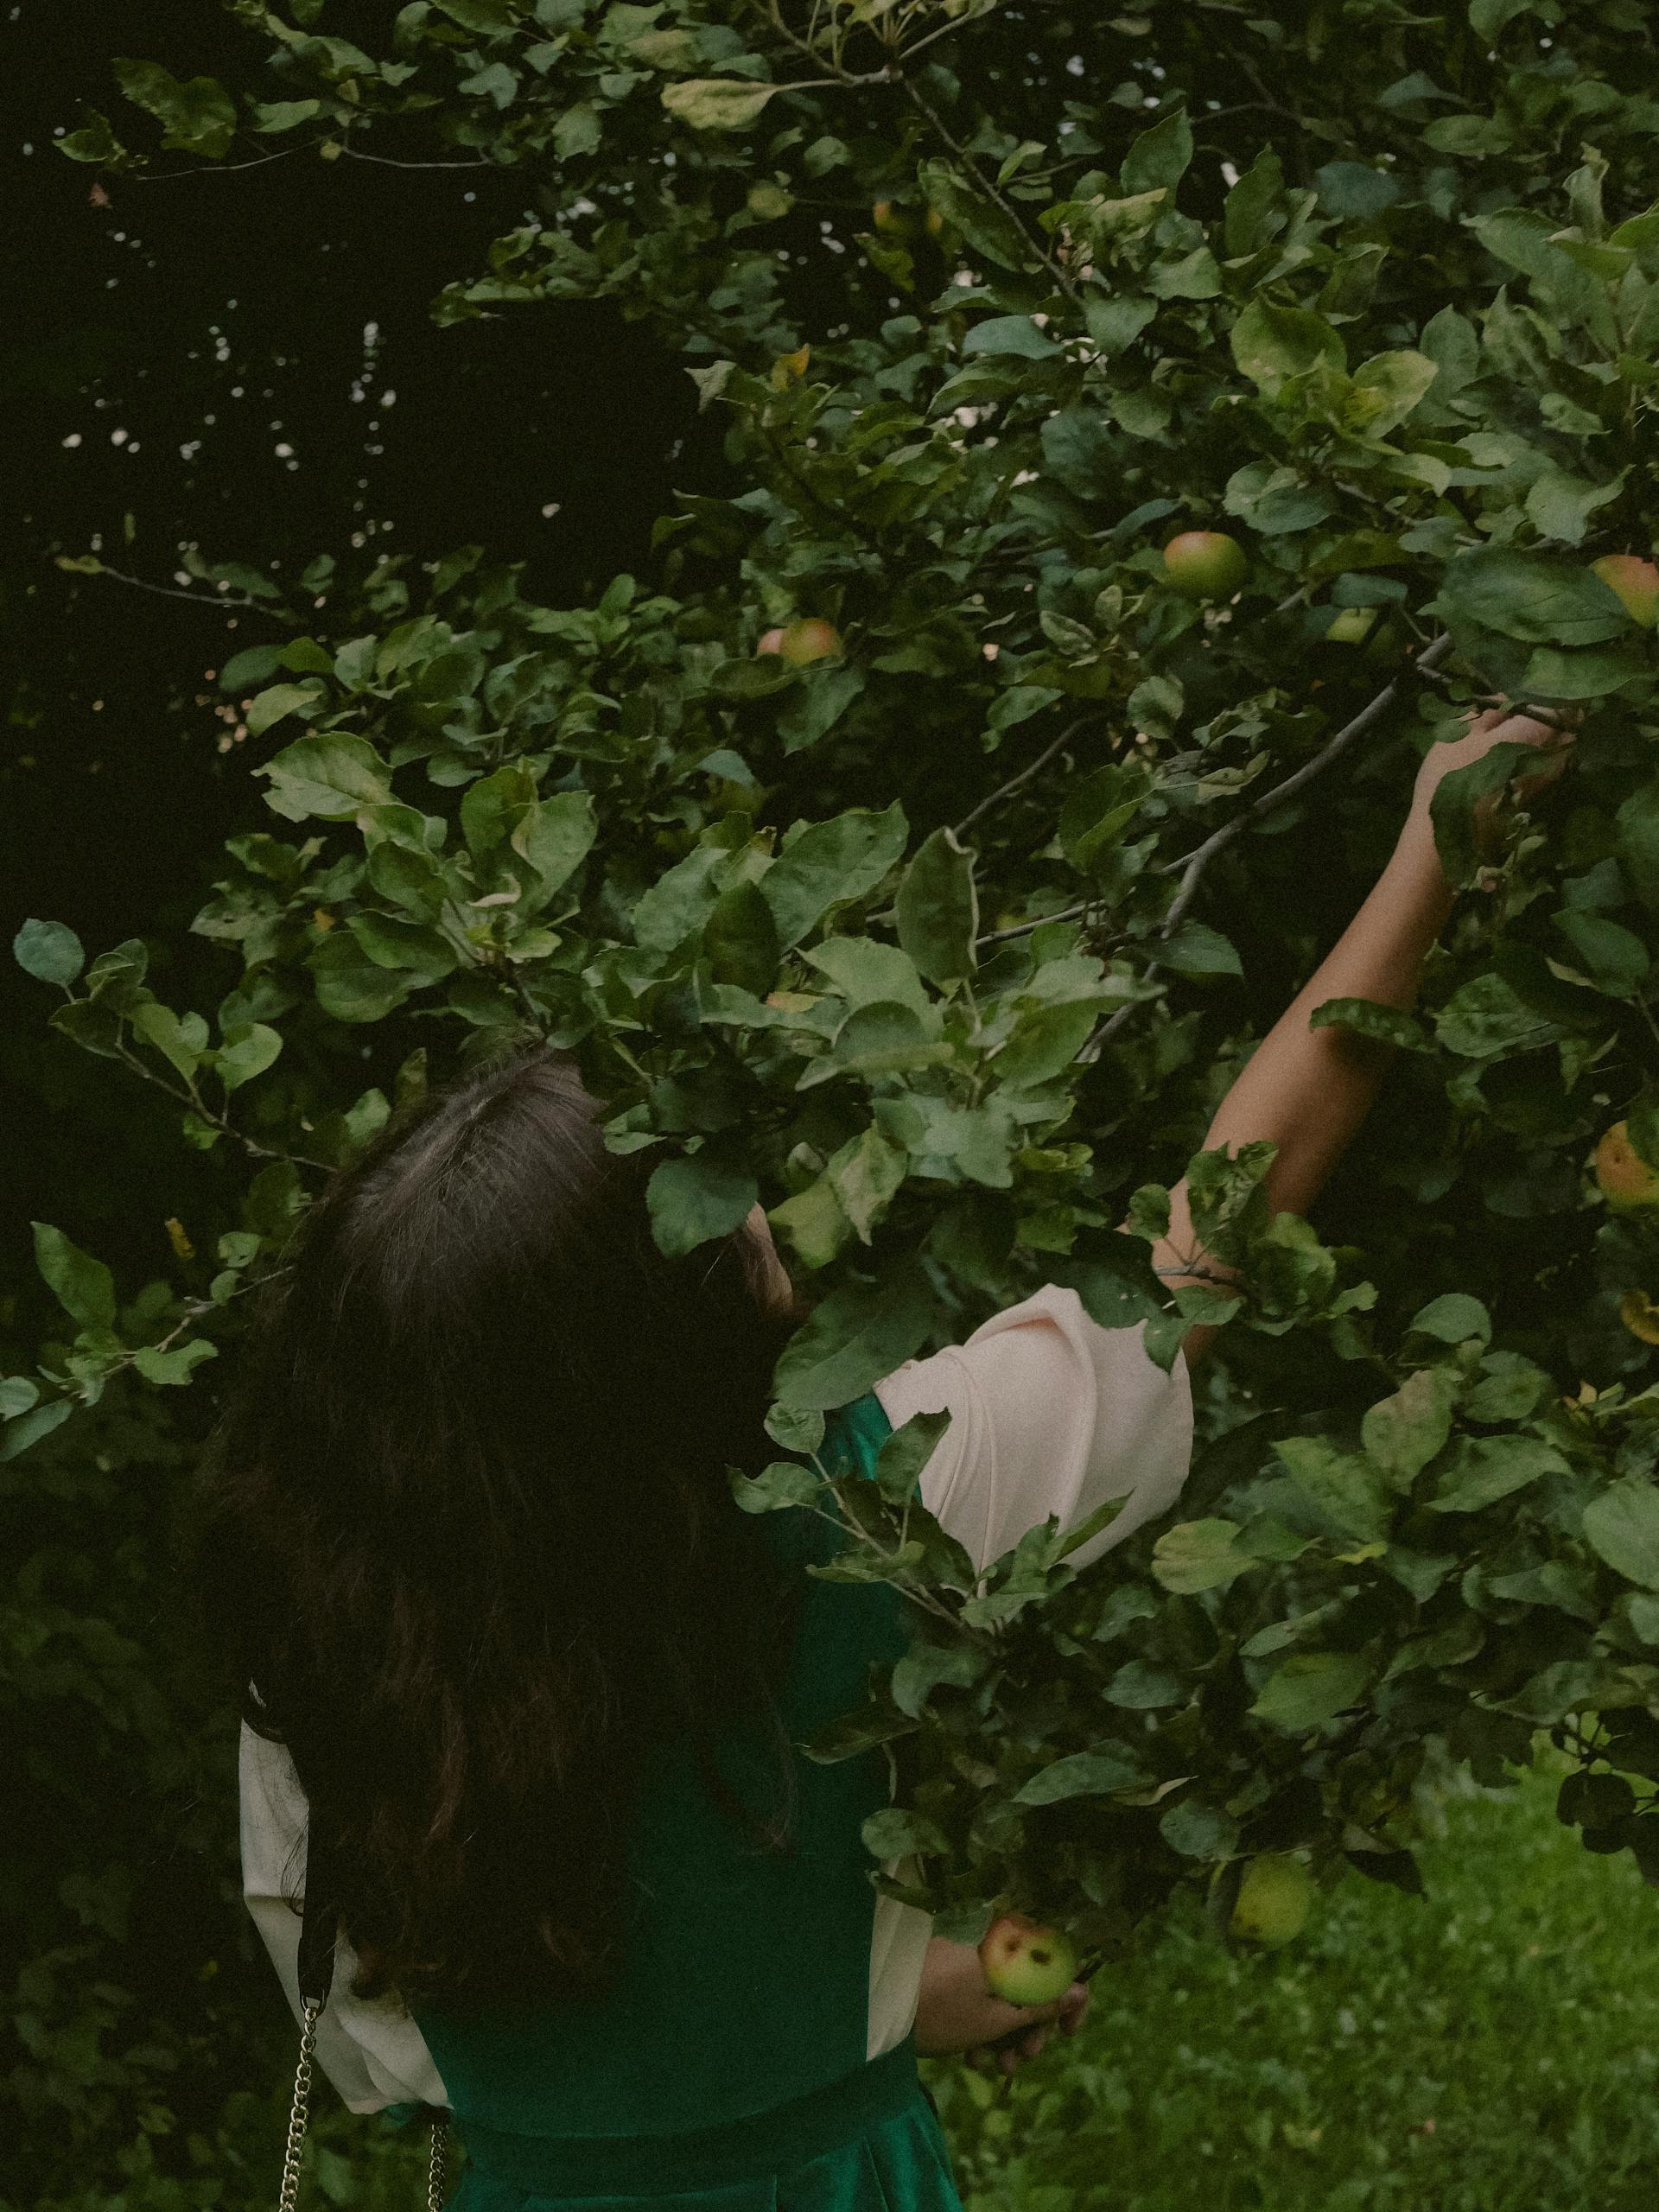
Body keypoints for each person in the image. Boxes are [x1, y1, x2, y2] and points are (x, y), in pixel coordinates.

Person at [202, 701, 1568, 2209]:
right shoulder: (889, 1494)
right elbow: (1222, 1232)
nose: (760, 1212)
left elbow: (396, 2043)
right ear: (657, 1354)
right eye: (714, 1212)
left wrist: (885, 1999)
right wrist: (1434, 851)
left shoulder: (335, 1645)